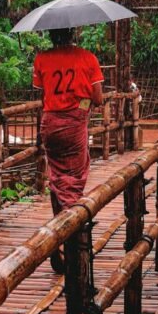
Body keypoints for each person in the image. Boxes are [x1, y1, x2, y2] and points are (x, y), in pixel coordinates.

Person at [32, 26, 104, 272]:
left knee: (57, 177)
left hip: (50, 123)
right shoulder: (88, 58)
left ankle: (58, 238)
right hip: (74, 124)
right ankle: (73, 244)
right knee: (72, 181)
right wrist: (80, 104)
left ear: (52, 35)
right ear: (73, 34)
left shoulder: (42, 59)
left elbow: (44, 95)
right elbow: (97, 98)